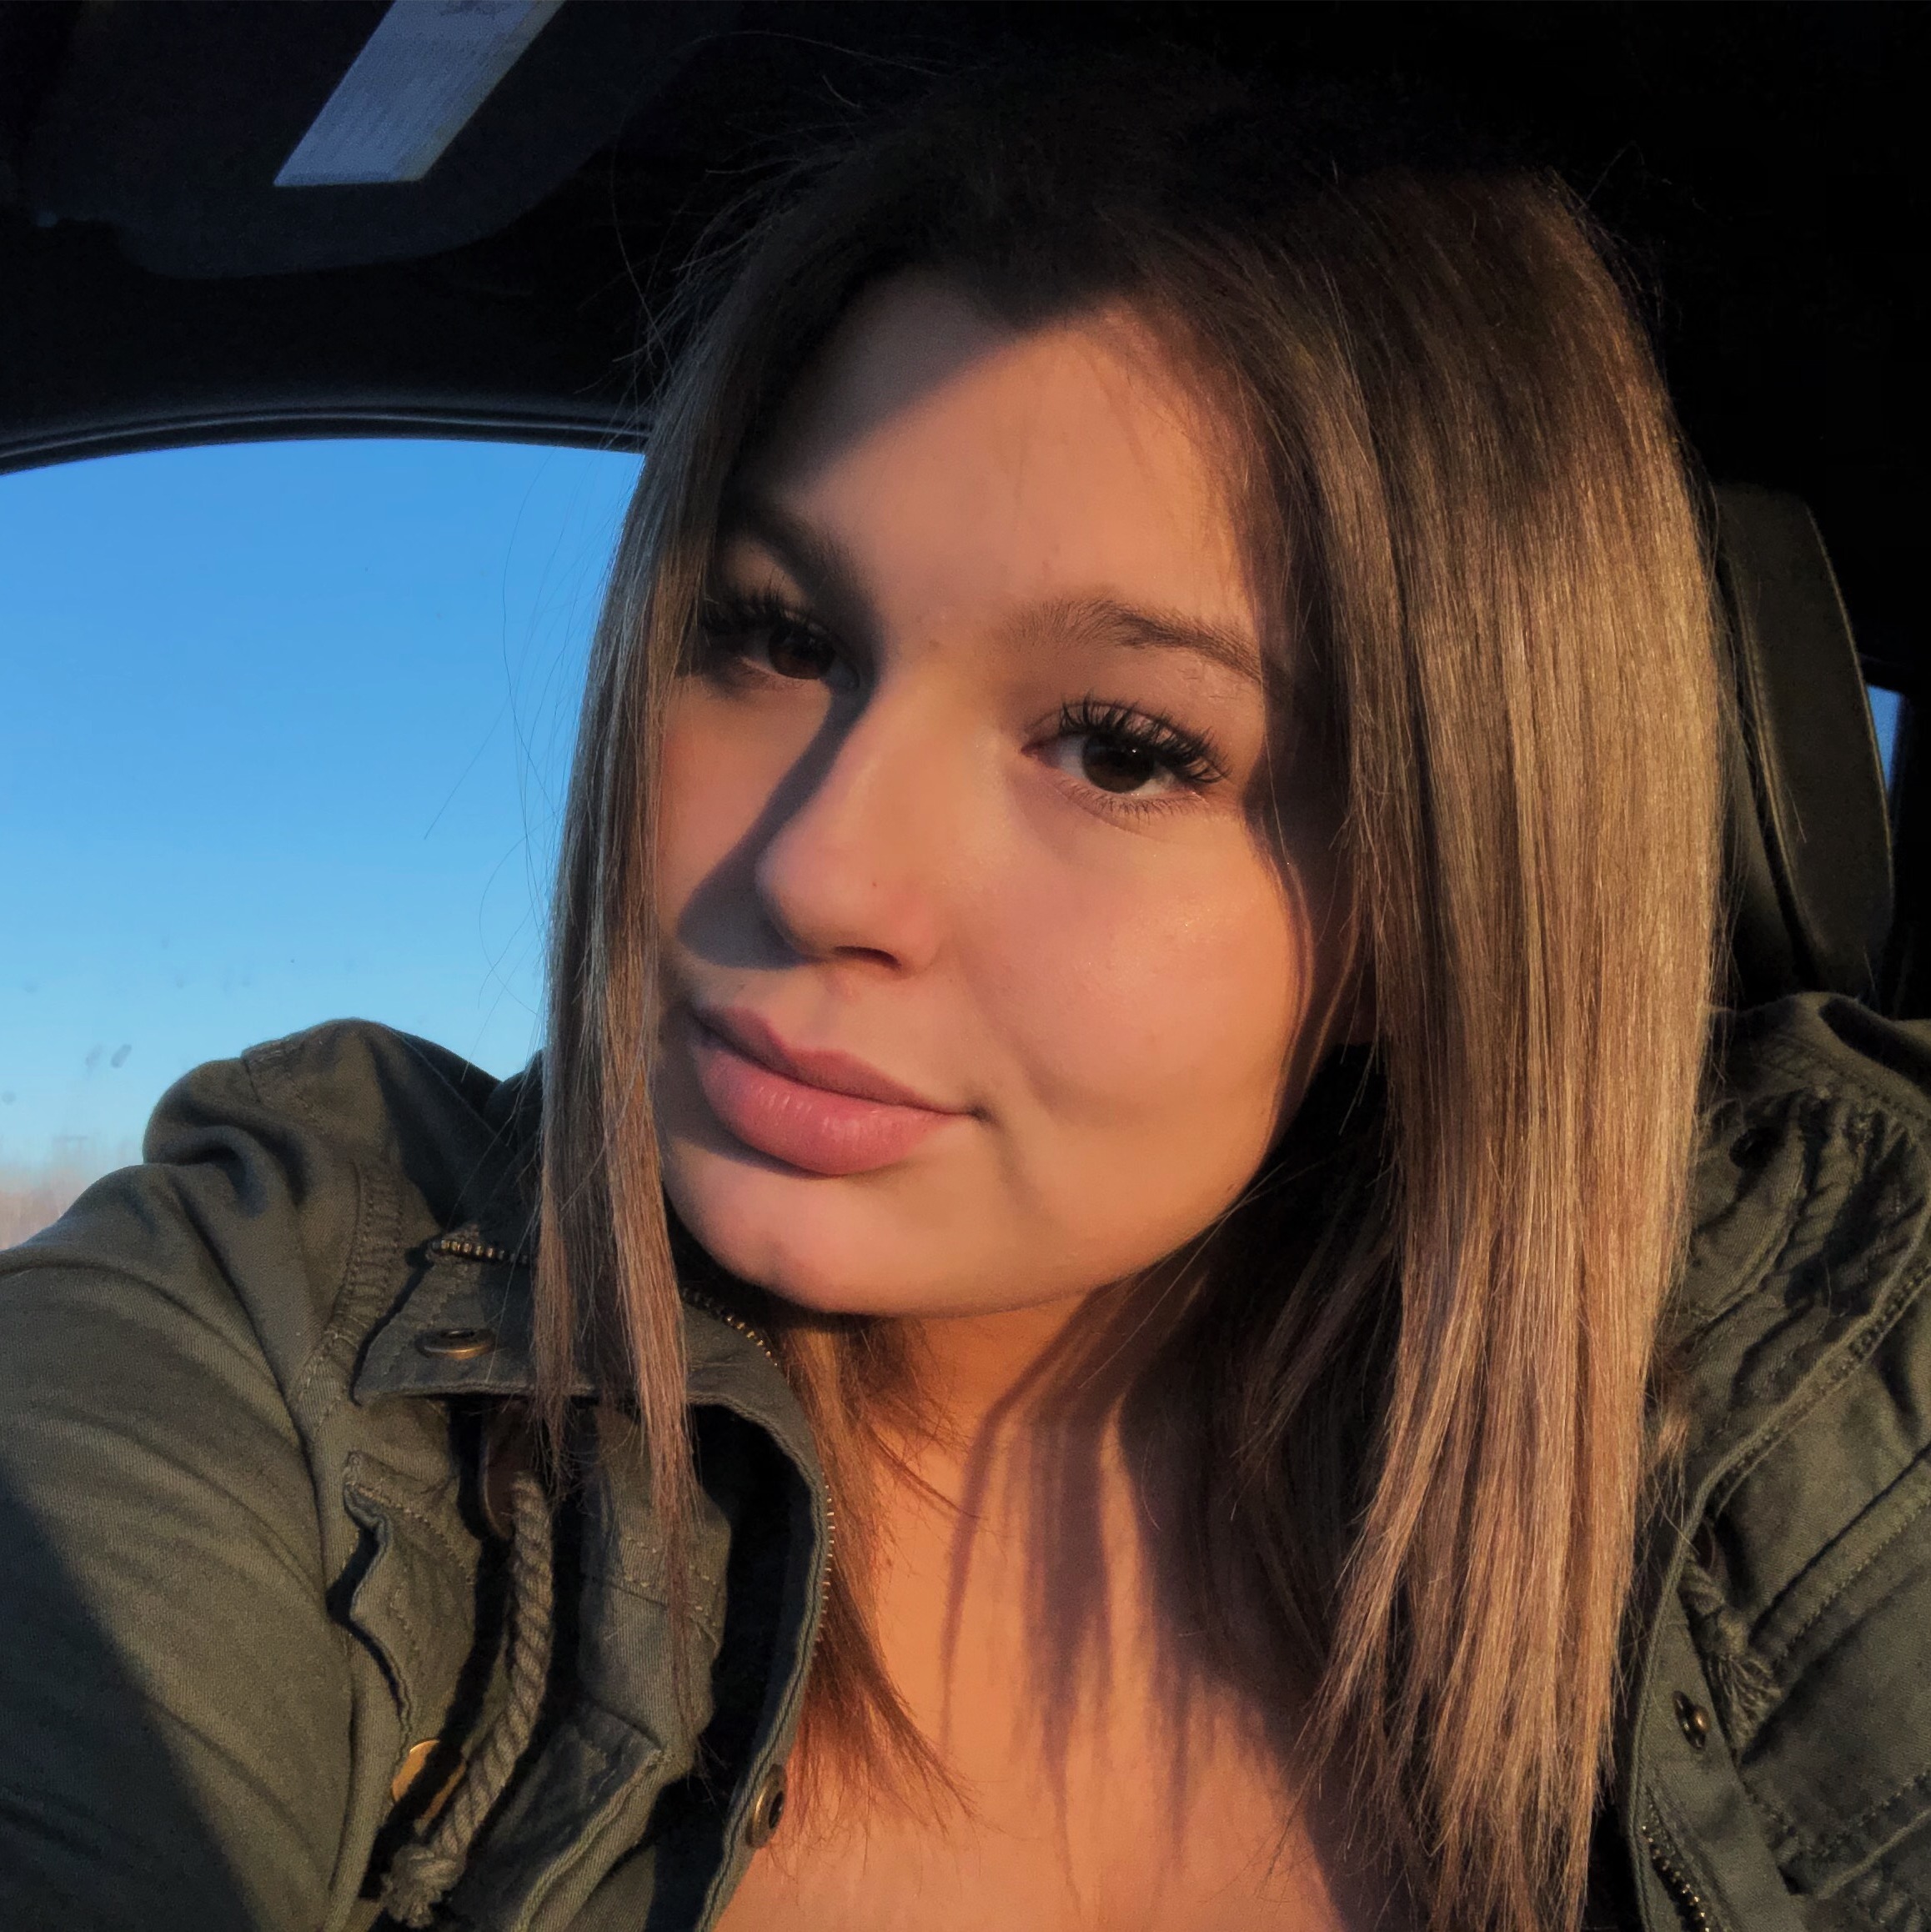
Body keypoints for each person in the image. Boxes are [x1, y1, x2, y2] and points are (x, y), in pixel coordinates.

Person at [4, 53, 1928, 1932]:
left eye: (1122, 747)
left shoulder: (1843, 1352)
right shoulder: (281, 1341)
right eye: (775, 635)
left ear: (1436, 907)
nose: (818, 871)